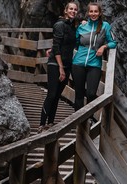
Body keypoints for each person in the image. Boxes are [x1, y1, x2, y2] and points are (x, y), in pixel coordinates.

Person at [38, 1, 79, 131]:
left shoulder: (73, 27)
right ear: (65, 11)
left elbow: (62, 44)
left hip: (67, 64)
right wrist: (61, 68)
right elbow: (57, 46)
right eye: (71, 9)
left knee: (57, 95)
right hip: (55, 64)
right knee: (51, 94)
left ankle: (50, 122)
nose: (73, 11)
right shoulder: (59, 25)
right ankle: (41, 124)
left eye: (75, 9)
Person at [72, 2, 117, 113]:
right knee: (79, 94)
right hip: (78, 64)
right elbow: (75, 42)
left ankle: (88, 119)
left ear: (100, 12)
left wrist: (104, 47)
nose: (93, 14)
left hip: (94, 65)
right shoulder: (82, 27)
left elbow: (114, 42)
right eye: (91, 11)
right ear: (88, 13)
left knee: (91, 94)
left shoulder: (105, 26)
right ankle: (78, 124)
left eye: (96, 11)